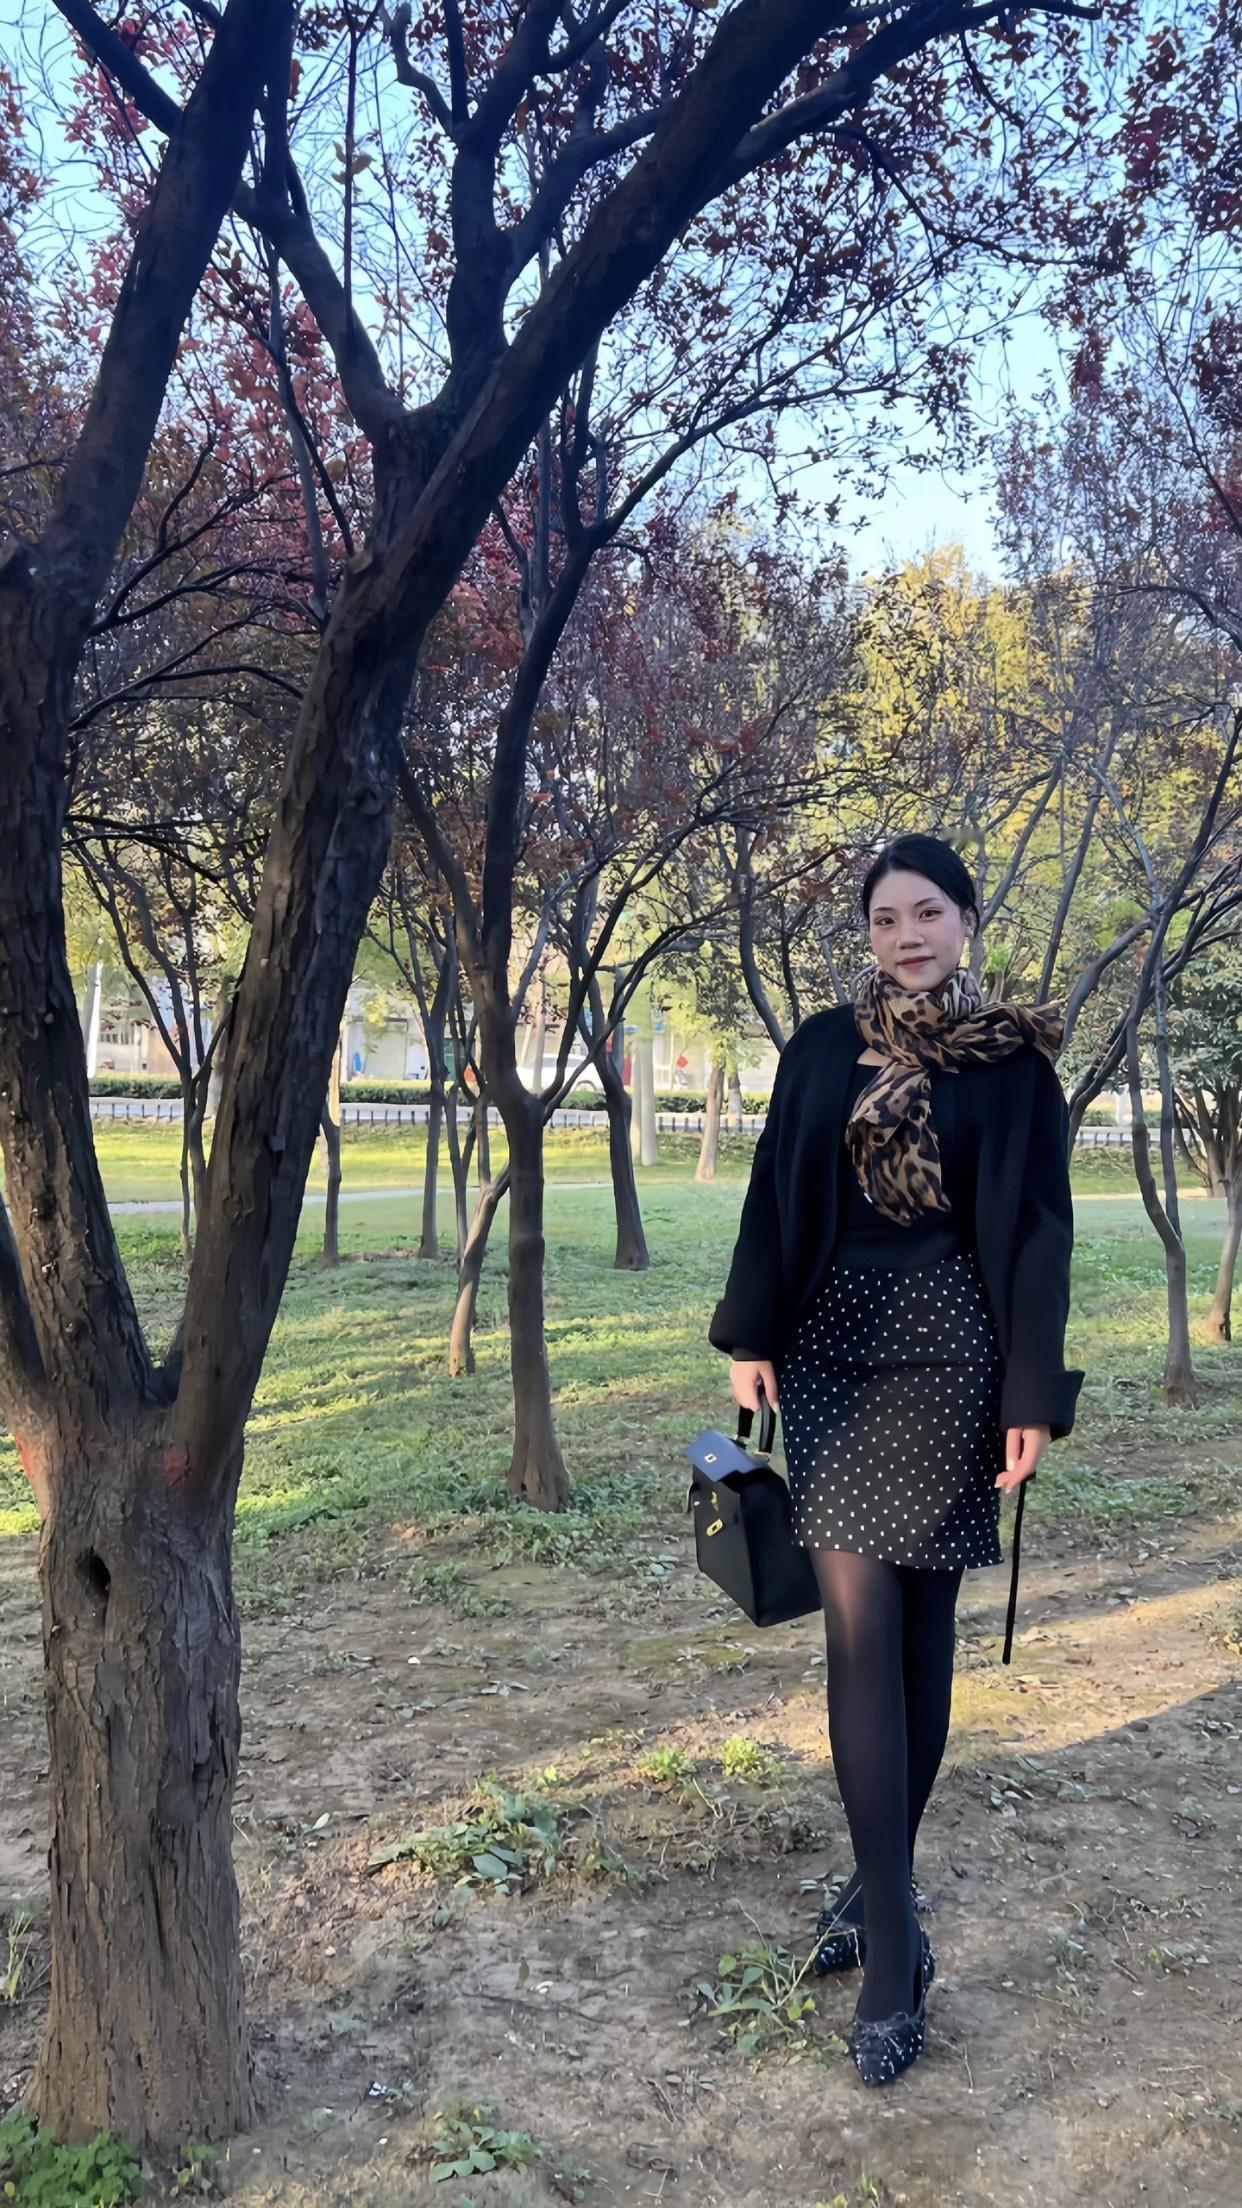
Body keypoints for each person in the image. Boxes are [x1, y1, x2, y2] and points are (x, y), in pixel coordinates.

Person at [708, 833, 1083, 2087]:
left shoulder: (1013, 1064)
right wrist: (749, 1334)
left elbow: (1038, 1238)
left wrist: (1031, 1394)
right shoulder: (823, 1048)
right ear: (867, 935)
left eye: (928, 913)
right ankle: (892, 1946)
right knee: (862, 1634)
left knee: (921, 1636)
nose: (907, 936)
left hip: (950, 1353)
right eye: (885, 919)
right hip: (829, 1351)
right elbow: (773, 1190)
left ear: (967, 920)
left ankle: (884, 1899)